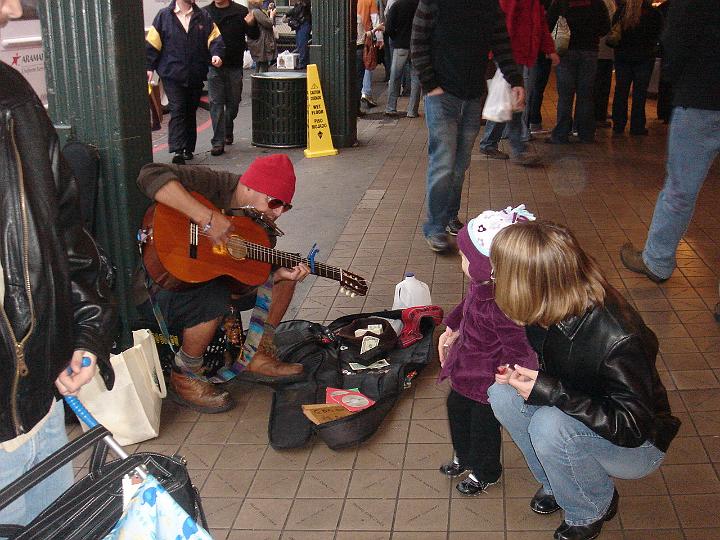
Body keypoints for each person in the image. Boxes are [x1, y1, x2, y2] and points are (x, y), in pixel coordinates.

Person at [487, 221, 680, 540]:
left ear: (529, 283)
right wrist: (460, 340)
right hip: (585, 407)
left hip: (640, 443)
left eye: (500, 271)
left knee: (549, 425)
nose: (494, 277)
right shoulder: (552, 301)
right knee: (502, 393)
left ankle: (591, 507)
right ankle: (556, 481)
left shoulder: (618, 337)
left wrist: (551, 391)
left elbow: (632, 429)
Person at [0, 0, 117, 527]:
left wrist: (89, 333)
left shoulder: (12, 95)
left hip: (41, 409)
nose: (12, 8)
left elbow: (65, 230)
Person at [134, 154, 309, 414]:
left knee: (285, 278)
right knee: (213, 297)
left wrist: (275, 276)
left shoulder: (264, 228)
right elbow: (148, 173)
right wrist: (206, 216)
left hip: (217, 283)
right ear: (248, 186)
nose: (278, 212)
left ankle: (257, 352)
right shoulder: (212, 183)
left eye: (285, 206)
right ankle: (186, 374)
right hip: (164, 285)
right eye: (273, 202)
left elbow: (241, 281)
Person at [438, 206, 538, 496]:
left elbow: (518, 347)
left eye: (465, 256)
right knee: (456, 409)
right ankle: (463, 456)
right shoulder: (480, 286)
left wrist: (511, 375)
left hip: (486, 380)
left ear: (485, 266)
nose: (460, 259)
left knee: (483, 428)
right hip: (464, 367)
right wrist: (452, 325)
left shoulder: (502, 305)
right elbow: (465, 306)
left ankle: (485, 471)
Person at [411, 0, 525, 253]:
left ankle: (449, 216)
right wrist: (430, 85)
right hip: (442, 96)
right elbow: (418, 44)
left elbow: (501, 44)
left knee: (460, 163)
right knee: (443, 163)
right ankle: (435, 227)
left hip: (473, 95)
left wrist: (515, 79)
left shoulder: (488, 5)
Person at [620, 0, 719, 283]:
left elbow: (676, 40)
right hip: (700, 97)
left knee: (680, 190)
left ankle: (658, 260)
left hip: (700, 99)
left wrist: (676, 80)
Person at [478, 0, 559, 166]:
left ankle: (492, 143)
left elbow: (539, 24)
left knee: (508, 101)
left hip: (518, 55)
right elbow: (504, 23)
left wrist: (549, 49)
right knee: (511, 103)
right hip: (511, 56)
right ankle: (515, 148)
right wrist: (502, 54)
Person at [146, 0, 225, 165]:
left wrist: (216, 54)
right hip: (172, 74)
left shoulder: (204, 16)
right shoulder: (163, 16)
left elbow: (215, 38)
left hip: (195, 73)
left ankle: (188, 147)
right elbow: (153, 44)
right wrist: (149, 67)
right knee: (178, 109)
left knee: (190, 110)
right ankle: (178, 150)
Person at [546, 0, 610, 144]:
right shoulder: (597, 3)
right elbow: (605, 27)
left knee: (565, 95)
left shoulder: (560, 3)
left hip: (565, 51)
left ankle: (561, 134)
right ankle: (585, 134)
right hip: (590, 51)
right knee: (585, 95)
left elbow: (549, 23)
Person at [204, 0, 257, 156]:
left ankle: (228, 126)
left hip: (234, 65)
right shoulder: (205, 12)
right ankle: (218, 142)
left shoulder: (240, 11)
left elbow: (254, 35)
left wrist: (251, 24)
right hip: (213, 66)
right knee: (216, 103)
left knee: (233, 104)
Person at [610, 0, 662, 136]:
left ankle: (618, 125)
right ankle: (637, 126)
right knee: (640, 93)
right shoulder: (652, 12)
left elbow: (613, 29)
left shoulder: (622, 11)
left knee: (621, 91)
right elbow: (659, 33)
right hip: (644, 57)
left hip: (623, 56)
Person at [383, 0, 420, 118]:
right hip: (416, 46)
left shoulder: (396, 5)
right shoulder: (419, 5)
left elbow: (388, 28)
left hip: (400, 46)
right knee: (416, 79)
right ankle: (412, 111)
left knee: (395, 77)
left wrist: (395, 37)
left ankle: (391, 107)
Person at [593, 0, 616, 128]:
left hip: (600, 49)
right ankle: (598, 116)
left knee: (598, 85)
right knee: (601, 86)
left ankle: (598, 114)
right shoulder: (606, 3)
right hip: (604, 49)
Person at [358, 0, 383, 109]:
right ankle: (366, 92)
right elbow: (375, 20)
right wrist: (380, 39)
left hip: (352, 38)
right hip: (366, 37)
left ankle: (359, 93)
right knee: (368, 62)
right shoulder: (370, 1)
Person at [246, 0, 277, 73]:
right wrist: (272, 15)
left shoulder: (252, 11)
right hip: (262, 41)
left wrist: (268, 11)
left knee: (259, 63)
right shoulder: (257, 11)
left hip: (256, 41)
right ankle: (261, 82)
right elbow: (268, 23)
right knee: (263, 64)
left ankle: (257, 81)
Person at [286, 0, 311, 69]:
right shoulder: (300, 4)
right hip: (301, 23)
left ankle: (303, 63)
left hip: (303, 22)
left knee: (302, 43)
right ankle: (303, 62)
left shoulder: (304, 3)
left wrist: (288, 14)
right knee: (300, 43)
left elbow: (299, 9)